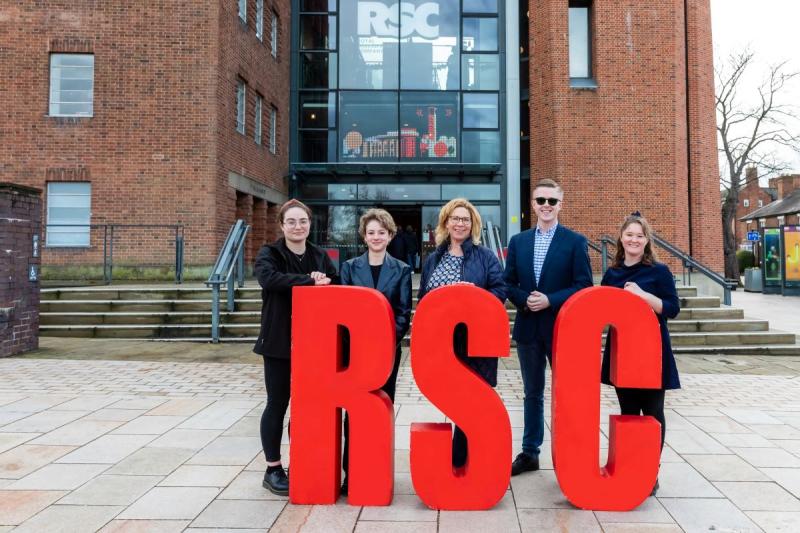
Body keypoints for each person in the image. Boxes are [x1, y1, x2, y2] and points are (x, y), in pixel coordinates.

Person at [504, 178, 593, 476]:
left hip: (561, 329)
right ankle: (530, 452)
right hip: (529, 328)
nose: (546, 206)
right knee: (532, 392)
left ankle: (571, 450)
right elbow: (508, 283)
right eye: (540, 200)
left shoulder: (575, 242)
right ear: (532, 204)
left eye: (551, 201)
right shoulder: (518, 242)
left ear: (560, 204)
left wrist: (550, 300)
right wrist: (525, 301)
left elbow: (584, 285)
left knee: (566, 392)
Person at [253, 199, 339, 496]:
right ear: (282, 225)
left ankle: (303, 462)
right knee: (277, 404)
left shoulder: (319, 255)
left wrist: (323, 280)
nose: (297, 226)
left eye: (302, 221)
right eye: (291, 221)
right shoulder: (270, 253)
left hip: (313, 344)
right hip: (278, 342)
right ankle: (273, 468)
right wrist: (308, 281)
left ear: (309, 224)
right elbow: (269, 279)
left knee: (307, 407)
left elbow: (335, 282)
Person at [417, 198, 506, 468]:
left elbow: (500, 292)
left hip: (474, 342)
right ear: (446, 223)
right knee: (457, 403)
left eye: (465, 219)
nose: (460, 224)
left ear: (473, 225)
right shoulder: (434, 259)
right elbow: (423, 299)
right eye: (455, 218)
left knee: (472, 405)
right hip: (444, 346)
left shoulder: (485, 257)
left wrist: (475, 295)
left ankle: (465, 461)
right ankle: (463, 462)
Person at [601, 212, 680, 496]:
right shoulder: (612, 273)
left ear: (647, 241)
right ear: (621, 238)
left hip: (651, 353)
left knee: (654, 413)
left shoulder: (659, 272)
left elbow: (672, 308)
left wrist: (642, 297)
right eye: (629, 235)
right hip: (623, 352)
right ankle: (631, 467)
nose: (634, 239)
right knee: (629, 414)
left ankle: (651, 470)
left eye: (639, 235)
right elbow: (603, 311)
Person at [339, 209, 412, 495]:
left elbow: (403, 314)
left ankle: (377, 470)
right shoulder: (348, 267)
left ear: (391, 235)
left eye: (382, 232)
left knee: (381, 411)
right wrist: (360, 344)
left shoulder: (403, 269)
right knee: (354, 414)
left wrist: (382, 344)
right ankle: (351, 472)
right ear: (364, 236)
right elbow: (344, 310)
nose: (376, 237)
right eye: (371, 232)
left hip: (385, 355)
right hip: (355, 355)